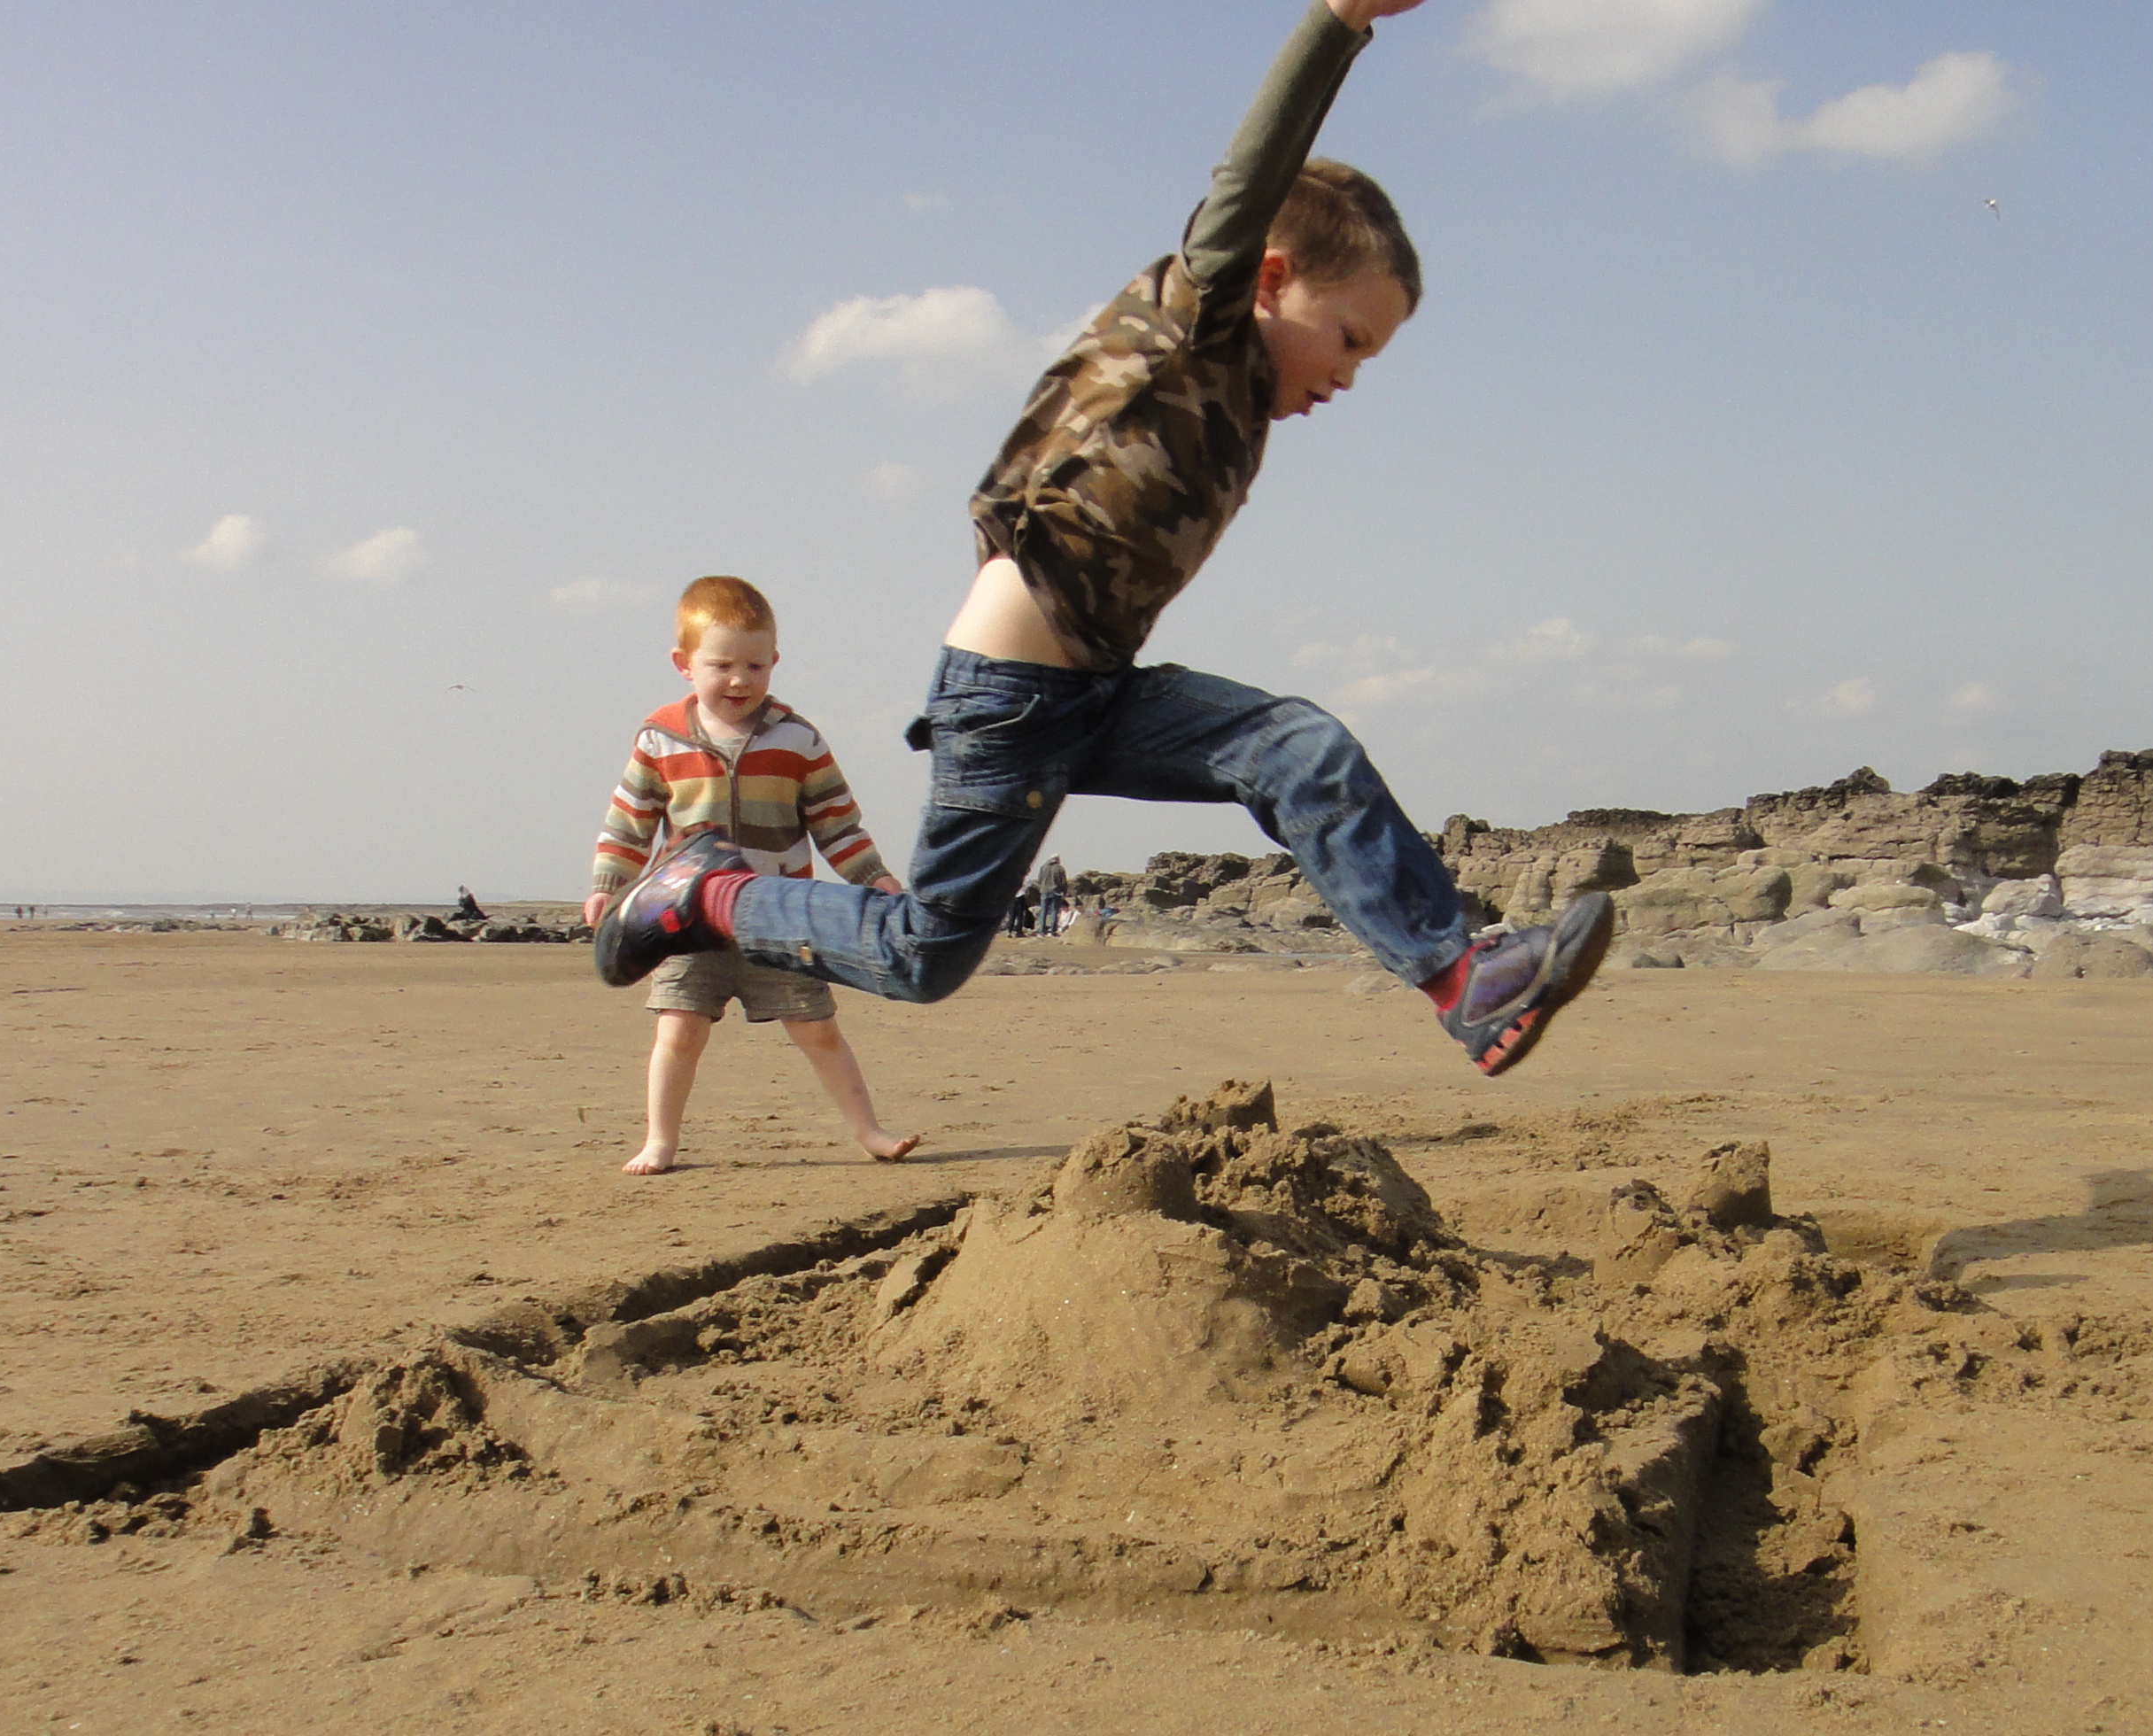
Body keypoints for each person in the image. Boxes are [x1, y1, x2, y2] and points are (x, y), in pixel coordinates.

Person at [593, 0, 1607, 1077]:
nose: (1350, 374)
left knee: (1298, 748)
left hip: (1097, 693)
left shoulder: (1244, 408)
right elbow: (1250, 180)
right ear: (1268, 279)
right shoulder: (1196, 329)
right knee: (922, 956)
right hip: (1007, 698)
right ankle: (707, 890)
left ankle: (1461, 979)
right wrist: (1337, 24)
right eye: (1349, 338)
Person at [581, 576, 920, 1177]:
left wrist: (874, 876)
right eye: (722, 665)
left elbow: (836, 822)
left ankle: (868, 1130)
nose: (740, 680)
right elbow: (630, 822)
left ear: (775, 662)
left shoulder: (797, 739)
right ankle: (660, 1141)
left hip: (777, 915)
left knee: (818, 1031)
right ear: (684, 664)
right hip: (684, 918)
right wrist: (608, 885)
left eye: (755, 666)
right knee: (679, 1032)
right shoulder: (661, 738)